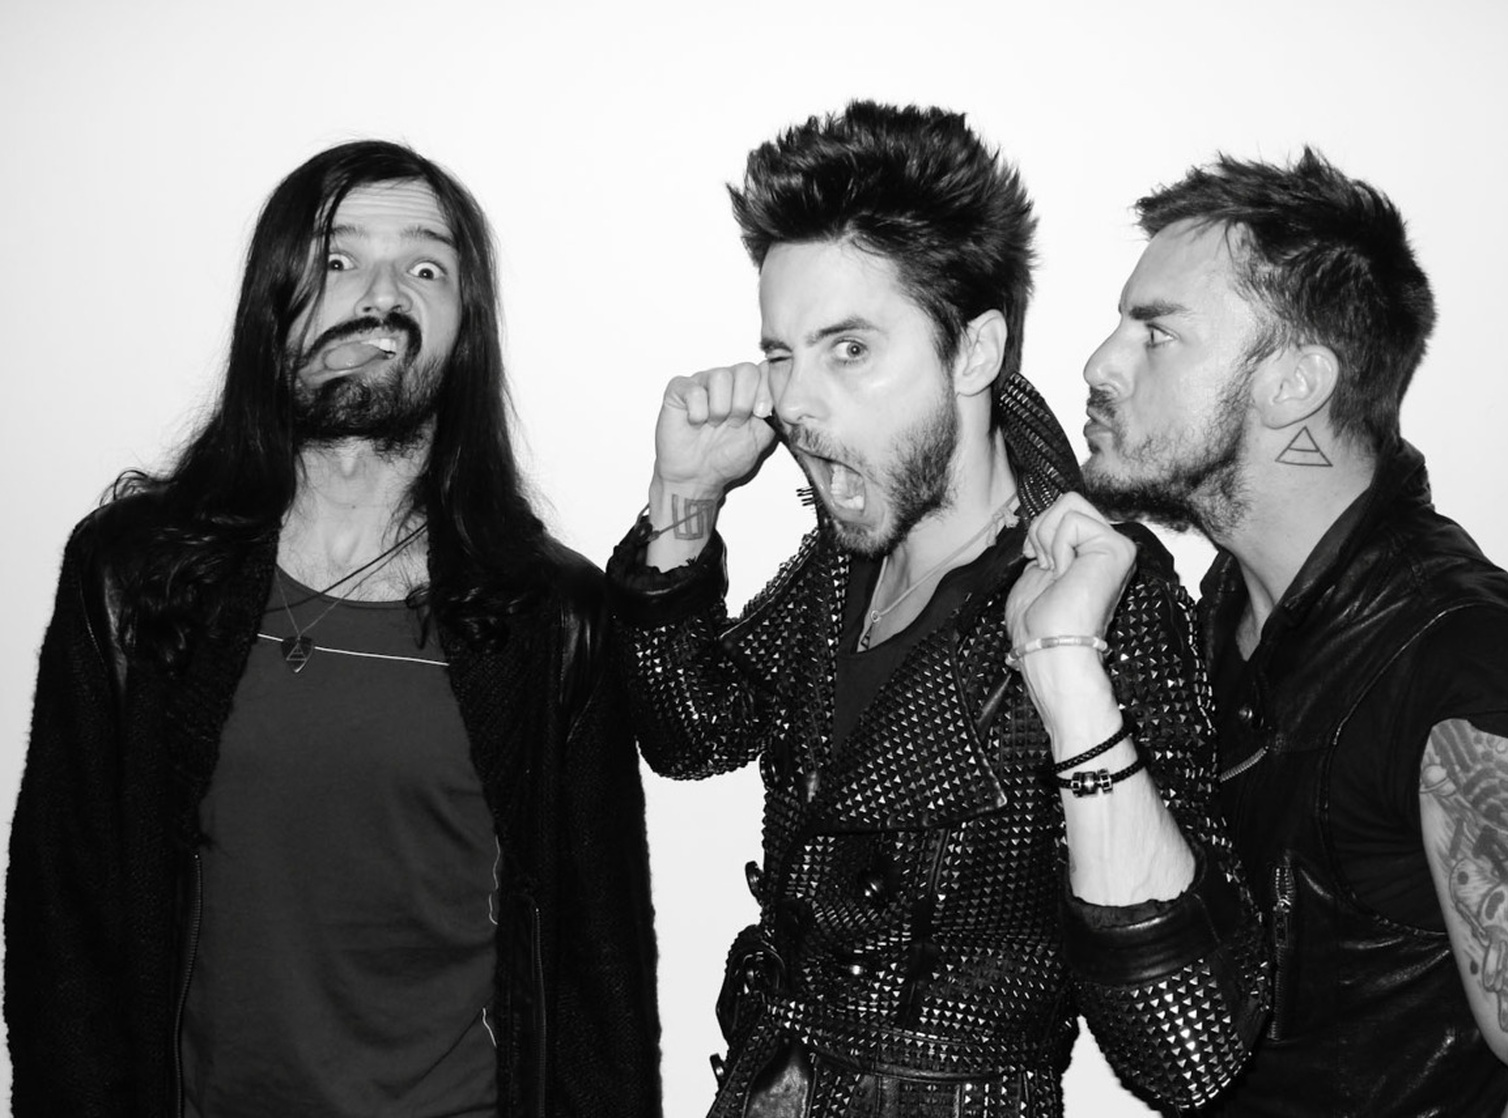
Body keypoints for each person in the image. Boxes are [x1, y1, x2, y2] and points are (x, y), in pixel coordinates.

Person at [607, 100, 1265, 1117]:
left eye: (849, 349)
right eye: (781, 353)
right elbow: (693, 733)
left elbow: (1190, 1050)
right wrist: (682, 501)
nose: (795, 405)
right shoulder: (851, 550)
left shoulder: (1101, 592)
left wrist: (1068, 676)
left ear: (974, 351)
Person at [4, 140, 661, 1117]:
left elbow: (601, 977)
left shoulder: (552, 615)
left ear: (465, 330)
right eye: (338, 259)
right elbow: (62, 919)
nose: (379, 295)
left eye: (425, 268)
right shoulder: (131, 578)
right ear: (274, 302)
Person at [1068, 147, 1508, 1114]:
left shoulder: (1471, 668)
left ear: (1295, 383)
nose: (1101, 364)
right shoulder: (1215, 620)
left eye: (1156, 332)